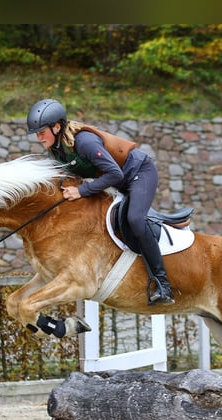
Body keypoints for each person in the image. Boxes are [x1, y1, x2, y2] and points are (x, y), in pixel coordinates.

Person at [26, 98, 175, 306]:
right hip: (120, 181)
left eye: (42, 132)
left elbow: (114, 173)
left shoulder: (84, 142)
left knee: (135, 219)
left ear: (57, 126)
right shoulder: (56, 150)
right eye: (37, 133)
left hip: (139, 173)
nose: (39, 137)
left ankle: (162, 283)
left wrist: (82, 190)